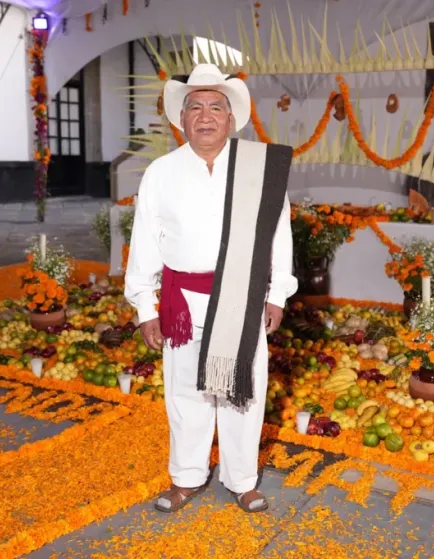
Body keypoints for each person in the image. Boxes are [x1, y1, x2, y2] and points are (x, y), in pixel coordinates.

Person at [124, 63, 297, 514]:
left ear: (230, 117)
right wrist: (145, 304)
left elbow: (279, 232)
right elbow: (144, 240)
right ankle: (186, 477)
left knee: (243, 391)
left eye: (215, 106)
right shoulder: (160, 172)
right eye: (194, 107)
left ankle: (241, 479)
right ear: (181, 119)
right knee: (185, 393)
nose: (205, 115)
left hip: (242, 299)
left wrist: (277, 293)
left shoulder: (258, 169)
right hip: (182, 303)